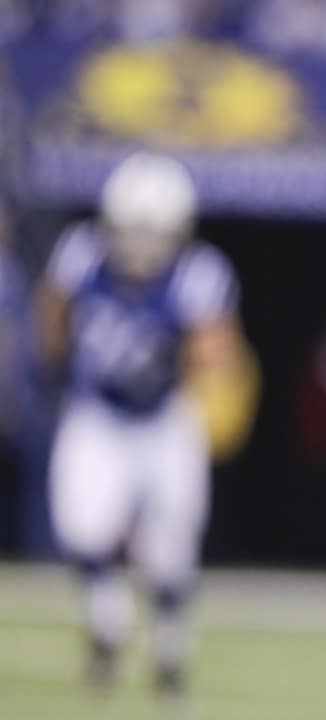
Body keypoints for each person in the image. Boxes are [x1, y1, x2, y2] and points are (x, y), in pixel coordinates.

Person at [35, 152, 252, 696]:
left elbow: (217, 353)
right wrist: (57, 366)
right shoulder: (81, 255)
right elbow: (53, 318)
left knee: (172, 540)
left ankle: (169, 644)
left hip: (165, 415)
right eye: (132, 229)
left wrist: (210, 366)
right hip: (99, 408)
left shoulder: (199, 275)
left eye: (154, 231)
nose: (141, 245)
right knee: (82, 523)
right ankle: (107, 616)